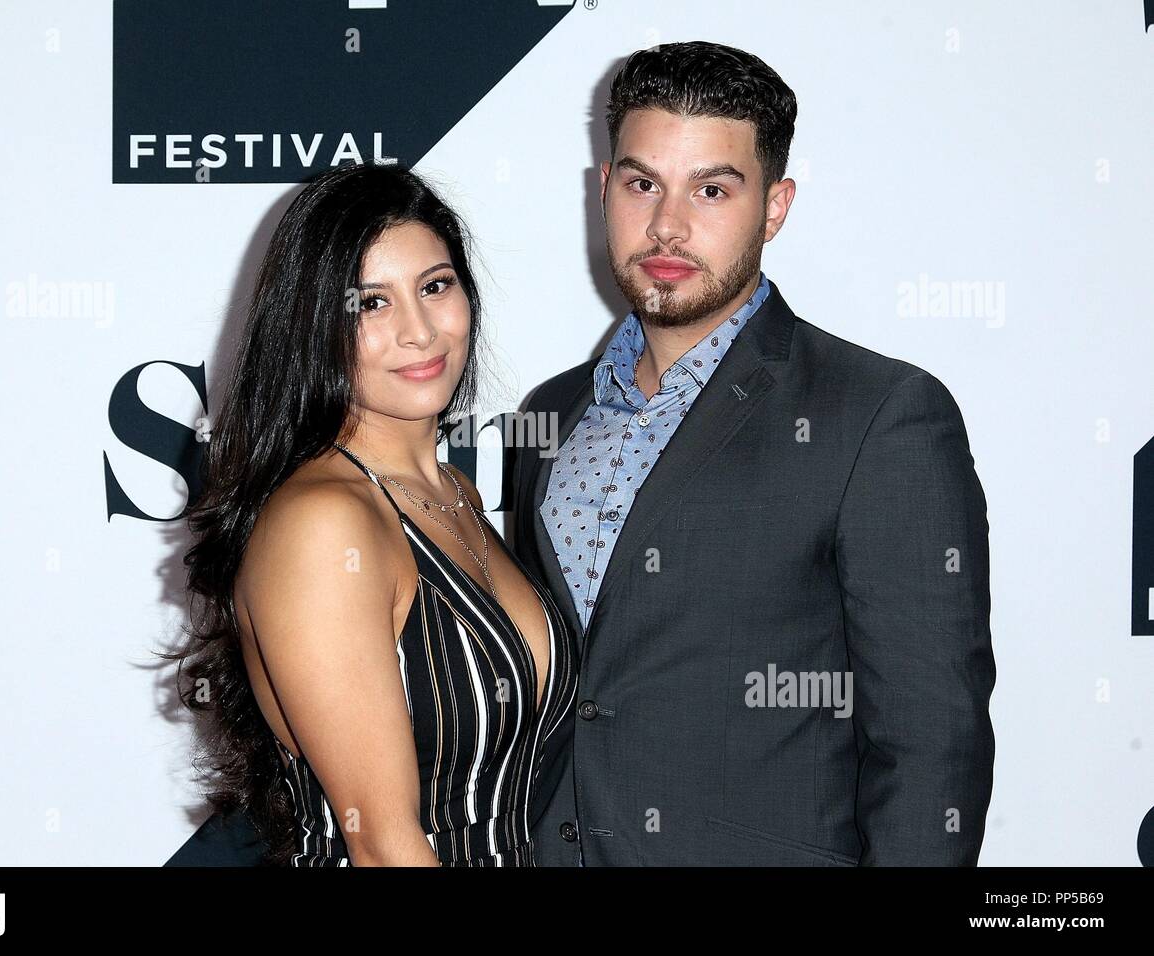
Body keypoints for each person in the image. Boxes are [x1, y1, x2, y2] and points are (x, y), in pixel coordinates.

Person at [512, 41, 996, 866]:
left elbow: (932, 744)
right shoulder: (551, 413)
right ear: (603, 191)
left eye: (712, 188)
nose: (667, 224)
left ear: (775, 207)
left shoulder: (880, 414)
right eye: (641, 184)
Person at [170, 161, 579, 866]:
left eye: (435, 286)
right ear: (312, 328)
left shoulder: (457, 496)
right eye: (370, 304)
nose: (419, 331)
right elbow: (383, 845)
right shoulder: (324, 522)